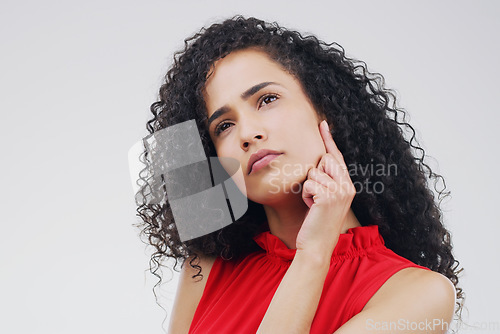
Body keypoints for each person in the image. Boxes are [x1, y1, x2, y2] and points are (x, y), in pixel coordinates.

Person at [135, 15, 464, 333]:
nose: (247, 133)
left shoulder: (420, 294)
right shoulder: (208, 267)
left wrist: (313, 253)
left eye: (267, 99)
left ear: (324, 109)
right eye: (224, 125)